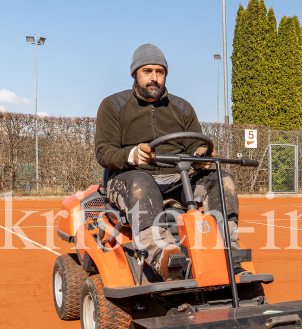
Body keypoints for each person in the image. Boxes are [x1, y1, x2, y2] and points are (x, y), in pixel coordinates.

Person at [94, 43, 239, 279]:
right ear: (135, 73)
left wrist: (201, 156)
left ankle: (228, 250)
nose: (154, 78)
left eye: (159, 72)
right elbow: (104, 152)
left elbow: (194, 144)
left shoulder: (182, 108)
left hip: (177, 180)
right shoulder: (113, 106)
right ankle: (162, 255)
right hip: (129, 179)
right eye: (147, 71)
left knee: (222, 179)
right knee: (142, 181)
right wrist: (131, 155)